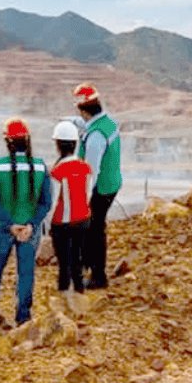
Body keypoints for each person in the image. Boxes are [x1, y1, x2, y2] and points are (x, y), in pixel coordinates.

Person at [0, 117, 52, 331]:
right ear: (27, 140)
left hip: (3, 228)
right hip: (30, 230)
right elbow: (45, 202)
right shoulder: (39, 166)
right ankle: (23, 318)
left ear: (8, 142)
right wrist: (30, 224)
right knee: (26, 273)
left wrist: (10, 225)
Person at [71, 83, 122, 289]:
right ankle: (88, 264)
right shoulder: (108, 123)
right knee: (93, 227)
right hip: (111, 183)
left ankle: (98, 276)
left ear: (84, 110)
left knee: (94, 229)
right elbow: (87, 125)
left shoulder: (95, 137)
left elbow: (90, 171)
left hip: (100, 188)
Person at [48, 120, 92, 310]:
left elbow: (52, 200)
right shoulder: (85, 168)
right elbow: (87, 194)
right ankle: (80, 294)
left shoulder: (57, 171)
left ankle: (64, 298)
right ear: (75, 143)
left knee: (64, 262)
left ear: (58, 145)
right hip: (83, 220)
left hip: (62, 224)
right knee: (77, 258)